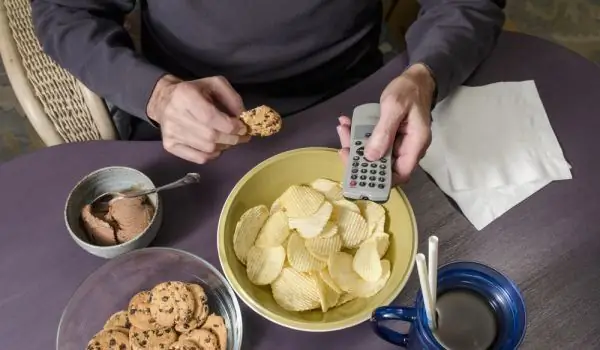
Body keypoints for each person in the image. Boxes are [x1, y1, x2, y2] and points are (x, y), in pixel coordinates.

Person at [31, 0, 505, 183]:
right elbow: (64, 12)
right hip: (184, 120)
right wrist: (155, 95)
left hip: (349, 108)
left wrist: (425, 74)